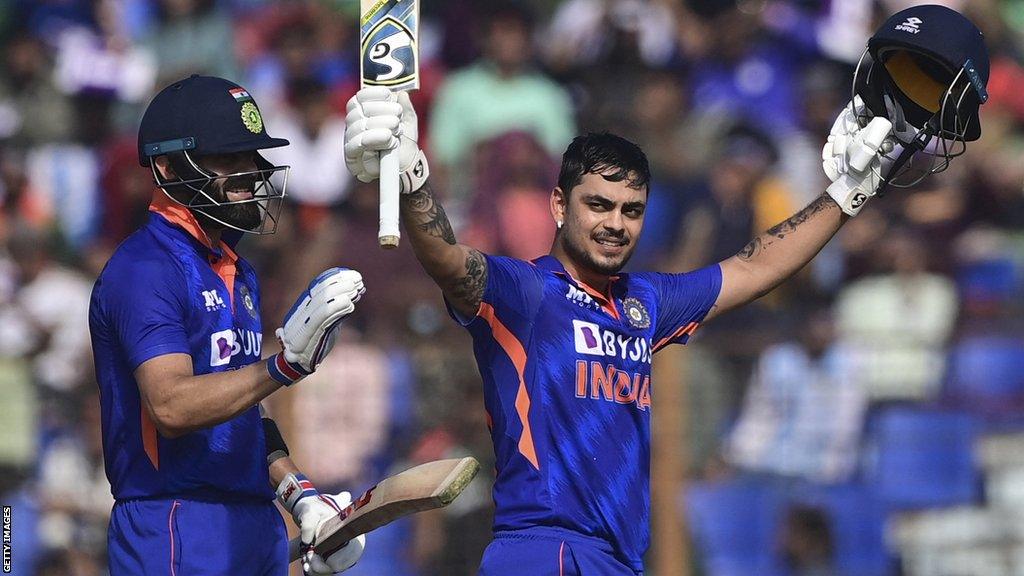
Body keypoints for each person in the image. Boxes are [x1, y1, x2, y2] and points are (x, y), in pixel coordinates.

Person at [343, 5, 986, 574]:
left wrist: (847, 194)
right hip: (546, 548)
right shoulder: (526, 292)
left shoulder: (645, 304)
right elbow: (450, 262)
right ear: (559, 205)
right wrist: (413, 177)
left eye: (631, 210)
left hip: (619, 559)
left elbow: (756, 267)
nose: (615, 225)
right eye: (599, 206)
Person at [89, 75, 366, 575]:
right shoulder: (145, 268)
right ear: (167, 167)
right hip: (175, 520)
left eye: (250, 157)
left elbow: (240, 410)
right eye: (227, 157)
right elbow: (171, 405)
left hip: (250, 521)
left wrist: (301, 499)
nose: (248, 172)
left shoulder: (238, 269)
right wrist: (284, 366)